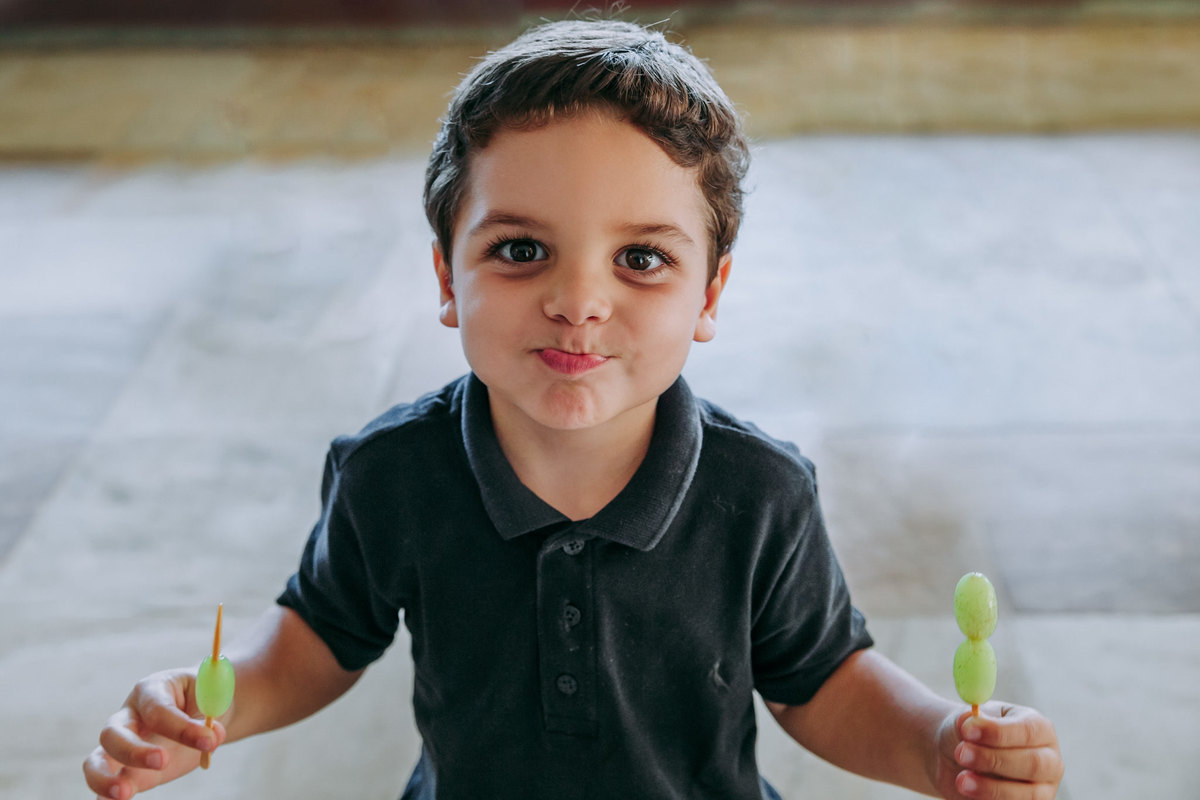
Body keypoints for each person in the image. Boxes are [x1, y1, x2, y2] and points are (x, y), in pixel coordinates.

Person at [83, 18, 1064, 800]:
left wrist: (939, 742)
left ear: (710, 295)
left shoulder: (759, 489)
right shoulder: (392, 472)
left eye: (641, 258)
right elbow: (316, 637)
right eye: (520, 249)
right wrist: (205, 702)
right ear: (445, 274)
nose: (579, 300)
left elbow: (825, 679)